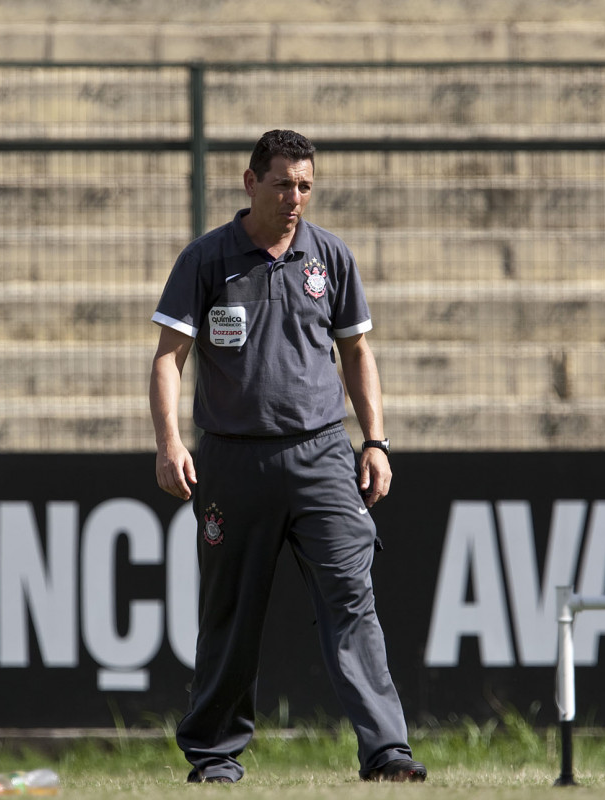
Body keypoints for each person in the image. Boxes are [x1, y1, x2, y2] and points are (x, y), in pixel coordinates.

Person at [149, 129, 426, 783]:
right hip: (232, 459)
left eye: (305, 185)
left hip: (322, 453)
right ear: (251, 183)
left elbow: (357, 353)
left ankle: (387, 750)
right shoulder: (208, 258)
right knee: (229, 613)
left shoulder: (329, 257)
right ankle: (216, 755)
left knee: (351, 598)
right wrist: (168, 443)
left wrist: (376, 441)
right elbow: (169, 360)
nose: (295, 197)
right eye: (283, 184)